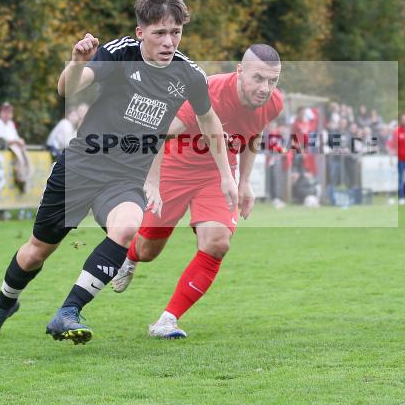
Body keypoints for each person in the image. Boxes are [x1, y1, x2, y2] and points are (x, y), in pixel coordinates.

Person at [0, 0, 236, 344]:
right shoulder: (118, 54)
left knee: (128, 227)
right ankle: (3, 306)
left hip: (125, 177)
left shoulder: (189, 75)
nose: (169, 41)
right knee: (36, 251)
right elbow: (68, 89)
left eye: (175, 32)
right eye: (159, 33)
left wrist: (227, 177)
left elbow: (209, 121)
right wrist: (78, 62)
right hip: (81, 167)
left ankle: (69, 311)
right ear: (141, 32)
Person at [110, 45, 283, 338]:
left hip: (218, 175)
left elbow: (255, 133)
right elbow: (159, 132)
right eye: (258, 78)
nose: (265, 88)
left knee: (217, 243)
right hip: (174, 170)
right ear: (240, 71)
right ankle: (129, 257)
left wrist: (244, 181)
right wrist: (151, 182)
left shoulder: (273, 103)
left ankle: (167, 319)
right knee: (148, 250)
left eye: (273, 81)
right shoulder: (209, 90)